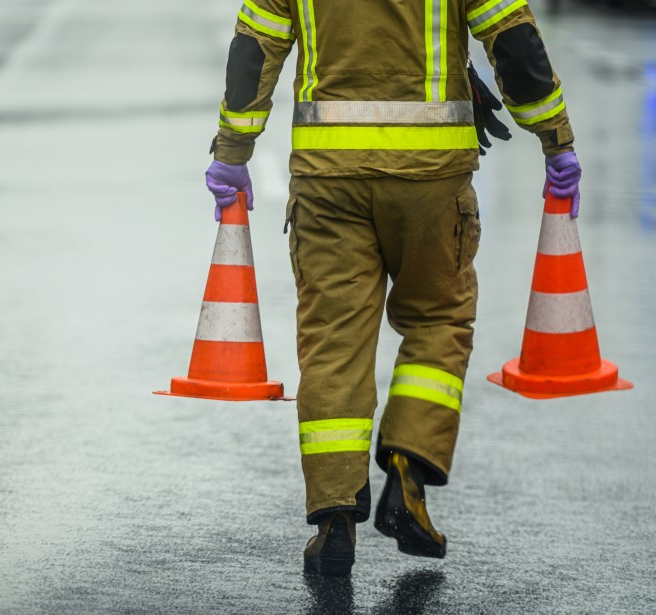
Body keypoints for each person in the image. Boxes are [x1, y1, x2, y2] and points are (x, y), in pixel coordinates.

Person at [205, 0, 581, 576]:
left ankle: (334, 519)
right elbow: (512, 39)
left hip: (328, 180)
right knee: (438, 321)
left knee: (333, 340)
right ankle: (409, 464)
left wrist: (233, 151)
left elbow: (255, 52)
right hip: (430, 180)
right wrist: (556, 139)